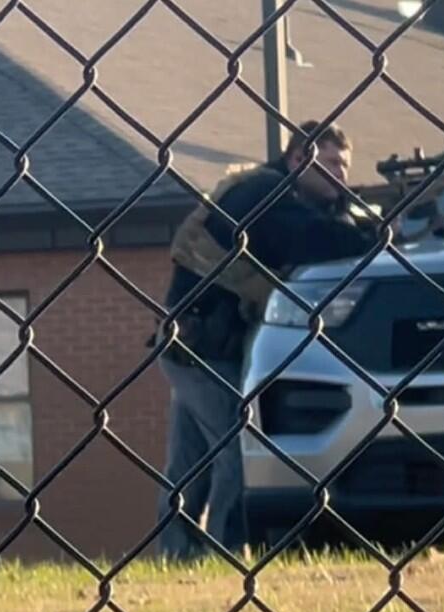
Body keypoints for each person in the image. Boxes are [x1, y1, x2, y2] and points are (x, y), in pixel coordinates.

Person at [154, 120, 378, 560]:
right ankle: (226, 551)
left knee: (190, 463)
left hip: (204, 347)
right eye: (331, 163)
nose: (341, 176)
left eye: (346, 166)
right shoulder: (262, 194)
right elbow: (311, 239)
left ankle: (177, 554)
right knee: (237, 451)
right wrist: (378, 232)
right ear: (299, 158)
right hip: (202, 347)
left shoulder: (289, 198)